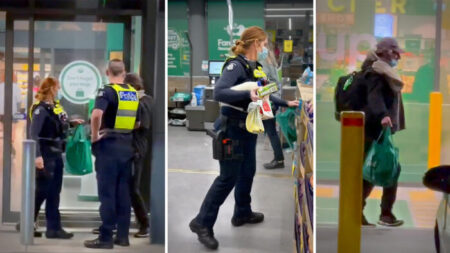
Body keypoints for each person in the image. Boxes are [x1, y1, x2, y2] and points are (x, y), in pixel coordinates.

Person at [189, 26, 294, 250]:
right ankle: (202, 222)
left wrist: (286, 103)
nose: (266, 49)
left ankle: (242, 213)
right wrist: (248, 94)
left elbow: (265, 92)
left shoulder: (256, 68)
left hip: (248, 127)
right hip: (232, 128)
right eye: (264, 45)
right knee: (227, 177)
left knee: (248, 171)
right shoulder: (235, 65)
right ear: (255, 43)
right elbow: (219, 92)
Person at [84, 59, 140, 249]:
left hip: (108, 146)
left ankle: (106, 237)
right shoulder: (132, 93)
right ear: (123, 72)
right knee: (123, 193)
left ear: (108, 72)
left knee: (107, 193)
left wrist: (94, 136)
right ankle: (123, 237)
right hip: (127, 146)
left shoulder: (106, 91)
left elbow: (97, 115)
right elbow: (137, 123)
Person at [29, 77, 82, 239]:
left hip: (57, 153)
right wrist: (37, 156)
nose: (58, 89)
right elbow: (34, 133)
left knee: (54, 192)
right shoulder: (41, 109)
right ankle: (28, 221)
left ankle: (53, 229)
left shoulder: (55, 107)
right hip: (46, 154)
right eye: (57, 87)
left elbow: (57, 126)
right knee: (43, 190)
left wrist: (72, 124)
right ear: (51, 88)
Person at [361, 37, 405, 227]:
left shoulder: (377, 68)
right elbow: (374, 95)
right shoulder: (376, 70)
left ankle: (363, 212)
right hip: (375, 129)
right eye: (396, 53)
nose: (398, 57)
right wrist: (383, 115)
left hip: (374, 129)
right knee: (389, 169)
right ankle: (386, 214)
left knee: (370, 172)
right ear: (387, 52)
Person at [260, 41, 299, 169]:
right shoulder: (271, 61)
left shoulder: (264, 62)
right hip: (273, 99)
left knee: (271, 131)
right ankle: (278, 159)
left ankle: (279, 159)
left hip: (268, 101)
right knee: (271, 131)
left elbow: (267, 84)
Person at [124, 72, 152, 237]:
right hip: (140, 147)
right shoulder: (148, 99)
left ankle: (144, 224)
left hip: (135, 148)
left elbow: (139, 124)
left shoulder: (139, 103)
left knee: (132, 188)